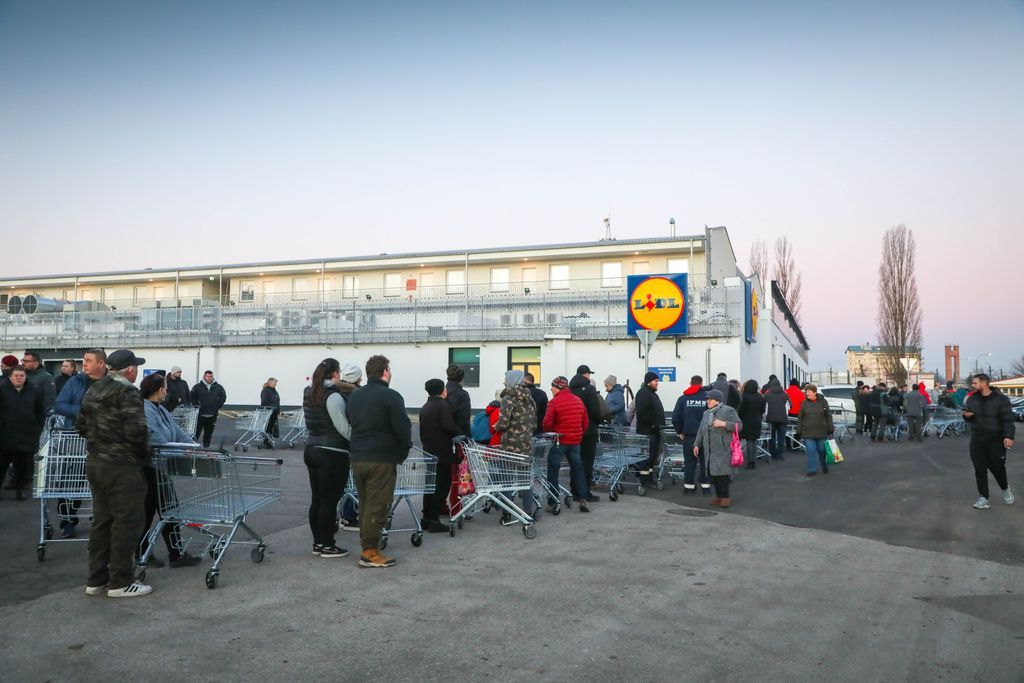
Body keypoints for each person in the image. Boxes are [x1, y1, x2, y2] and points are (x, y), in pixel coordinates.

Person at [77, 349, 152, 598]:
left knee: (102, 522)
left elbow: (80, 426)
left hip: (96, 463)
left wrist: (101, 441)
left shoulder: (94, 389)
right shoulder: (127, 391)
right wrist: (141, 458)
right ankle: (120, 581)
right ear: (129, 370)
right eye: (136, 368)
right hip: (122, 466)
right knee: (126, 522)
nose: (137, 372)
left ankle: (95, 579)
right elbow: (137, 432)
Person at [347, 355, 411, 568]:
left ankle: (368, 545)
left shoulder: (355, 396)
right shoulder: (391, 396)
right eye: (389, 370)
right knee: (379, 504)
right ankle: (370, 552)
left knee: (365, 503)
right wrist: (401, 453)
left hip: (358, 455)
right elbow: (402, 428)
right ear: (385, 371)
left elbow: (351, 421)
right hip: (381, 457)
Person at [138, 372, 202, 569]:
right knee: (165, 512)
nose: (167, 391)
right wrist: (181, 450)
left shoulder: (160, 409)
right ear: (159, 391)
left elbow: (177, 431)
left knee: (159, 512)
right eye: (165, 388)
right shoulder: (145, 410)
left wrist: (195, 447)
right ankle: (170, 554)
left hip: (160, 467)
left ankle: (152, 553)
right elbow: (155, 439)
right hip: (151, 469)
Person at [302, 358, 356, 559]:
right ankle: (328, 545)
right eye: (339, 373)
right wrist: (357, 440)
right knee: (329, 502)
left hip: (312, 449)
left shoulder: (309, 392)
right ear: (334, 374)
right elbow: (343, 428)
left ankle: (318, 543)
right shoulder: (333, 396)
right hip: (332, 453)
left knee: (317, 500)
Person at [52, 348, 108, 537]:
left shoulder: (112, 383)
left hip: (105, 440)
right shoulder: (75, 381)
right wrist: (84, 411)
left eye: (89, 361)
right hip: (75, 438)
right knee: (72, 481)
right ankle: (68, 521)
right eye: (84, 360)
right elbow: (60, 405)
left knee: (102, 482)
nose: (84, 364)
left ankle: (100, 519)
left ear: (101, 364)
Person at [963, 374, 1015, 509]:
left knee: (997, 468)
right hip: (977, 439)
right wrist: (967, 416)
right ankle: (983, 497)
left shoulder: (1001, 399)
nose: (972, 386)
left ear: (984, 383)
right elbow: (968, 415)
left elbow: (1008, 419)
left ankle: (1005, 488)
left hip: (995, 440)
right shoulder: (972, 399)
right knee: (979, 469)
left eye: (975, 383)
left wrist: (1008, 436)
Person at [493, 370, 538, 516]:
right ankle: (527, 512)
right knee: (525, 481)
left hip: (510, 445)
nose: (504, 381)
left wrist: (496, 427)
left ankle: (506, 512)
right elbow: (534, 423)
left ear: (512, 380)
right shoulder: (529, 397)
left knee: (506, 478)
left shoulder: (508, 398)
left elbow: (503, 422)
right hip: (526, 445)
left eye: (506, 379)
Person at [542, 376, 590, 512]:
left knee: (553, 470)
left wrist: (548, 433)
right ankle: (582, 499)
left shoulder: (554, 402)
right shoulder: (578, 400)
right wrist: (578, 434)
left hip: (559, 441)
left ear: (558, 387)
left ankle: (553, 500)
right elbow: (585, 422)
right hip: (575, 442)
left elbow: (547, 423)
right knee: (578, 469)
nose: (551, 389)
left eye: (552, 386)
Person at [419, 379, 459, 532]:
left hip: (429, 451)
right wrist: (460, 434)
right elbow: (449, 426)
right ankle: (434, 520)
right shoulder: (443, 405)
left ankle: (426, 517)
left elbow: (422, 432)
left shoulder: (425, 406)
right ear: (443, 390)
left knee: (429, 486)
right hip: (442, 452)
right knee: (442, 486)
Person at [0, 365, 44, 500]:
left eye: (22, 376)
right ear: (10, 377)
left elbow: (39, 411)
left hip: (26, 436)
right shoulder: (2, 390)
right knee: (1, 466)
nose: (19, 378)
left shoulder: (33, 391)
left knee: (22, 467)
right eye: (16, 376)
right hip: (5, 436)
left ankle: (19, 490)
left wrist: (37, 429)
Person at [695, 389, 741, 507]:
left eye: (710, 399)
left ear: (718, 400)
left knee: (722, 474)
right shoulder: (706, 413)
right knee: (714, 474)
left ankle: (725, 498)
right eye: (707, 399)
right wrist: (696, 444)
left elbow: (739, 426)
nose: (708, 401)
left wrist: (724, 424)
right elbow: (701, 431)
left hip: (723, 448)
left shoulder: (728, 410)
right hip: (709, 448)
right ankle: (718, 497)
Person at [672, 375, 712, 495]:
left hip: (689, 436)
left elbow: (675, 418)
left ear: (690, 383)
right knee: (705, 462)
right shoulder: (708, 399)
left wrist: (680, 431)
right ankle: (706, 488)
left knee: (689, 462)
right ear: (701, 384)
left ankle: (689, 488)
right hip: (705, 436)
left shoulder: (682, 399)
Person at [569, 364, 602, 502]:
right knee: (587, 463)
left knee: (576, 462)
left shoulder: (570, 389)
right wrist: (599, 420)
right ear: (586, 375)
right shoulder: (589, 389)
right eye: (589, 374)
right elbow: (595, 410)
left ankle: (575, 491)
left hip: (573, 431)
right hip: (589, 431)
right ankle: (585, 492)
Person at [634, 371, 666, 482]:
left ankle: (650, 477)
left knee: (653, 456)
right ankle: (644, 479)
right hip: (647, 431)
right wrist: (652, 424)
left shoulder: (652, 394)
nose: (657, 383)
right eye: (655, 381)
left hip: (654, 431)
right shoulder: (643, 393)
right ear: (649, 382)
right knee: (647, 456)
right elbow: (642, 413)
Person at [797, 384, 834, 476]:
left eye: (809, 392)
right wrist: (799, 431)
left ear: (814, 392)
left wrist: (830, 429)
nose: (807, 393)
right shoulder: (804, 403)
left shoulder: (823, 402)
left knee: (822, 450)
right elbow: (800, 417)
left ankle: (823, 464)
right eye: (806, 392)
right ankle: (811, 469)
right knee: (811, 451)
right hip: (808, 432)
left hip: (821, 431)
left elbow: (828, 416)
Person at [190, 370, 226, 448]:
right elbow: (192, 396)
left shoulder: (218, 387)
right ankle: (193, 446)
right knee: (196, 432)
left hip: (212, 414)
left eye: (211, 376)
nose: (210, 378)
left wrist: (218, 406)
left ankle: (206, 446)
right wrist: (196, 405)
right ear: (204, 377)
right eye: (208, 376)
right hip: (200, 414)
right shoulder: (197, 387)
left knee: (209, 432)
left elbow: (223, 397)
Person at [737, 380, 765, 470]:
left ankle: (750, 462)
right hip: (757, 421)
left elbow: (741, 410)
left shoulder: (745, 397)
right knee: (754, 441)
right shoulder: (761, 397)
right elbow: (762, 410)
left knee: (749, 441)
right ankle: (753, 461)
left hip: (746, 421)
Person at [764, 378, 790, 461]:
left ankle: (773, 454)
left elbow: (765, 408)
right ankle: (780, 454)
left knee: (772, 437)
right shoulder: (785, 394)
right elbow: (788, 408)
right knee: (781, 437)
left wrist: (765, 416)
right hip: (782, 419)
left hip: (771, 419)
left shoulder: (767, 394)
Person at [445, 364, 472, 438]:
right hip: (459, 435)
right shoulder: (463, 395)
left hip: (443, 434)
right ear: (462, 378)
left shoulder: (442, 392)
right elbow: (464, 420)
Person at [260, 377, 281, 447]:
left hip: (274, 413)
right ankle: (266, 442)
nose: (276, 384)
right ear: (270, 382)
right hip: (268, 413)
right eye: (275, 383)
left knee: (271, 428)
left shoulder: (273, 390)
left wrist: (278, 410)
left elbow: (276, 401)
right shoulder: (266, 391)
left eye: (276, 383)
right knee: (268, 428)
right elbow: (264, 402)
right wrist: (271, 408)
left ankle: (269, 440)